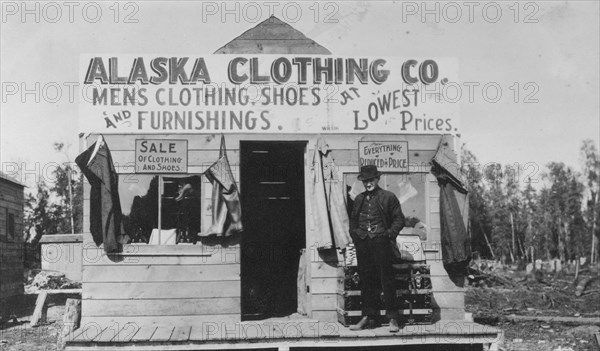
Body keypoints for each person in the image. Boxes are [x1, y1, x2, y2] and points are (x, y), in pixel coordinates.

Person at [348, 165, 405, 332]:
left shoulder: (388, 197)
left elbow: (399, 220)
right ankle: (368, 316)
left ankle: (393, 318)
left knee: (386, 279)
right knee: (366, 280)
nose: (368, 184)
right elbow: (353, 221)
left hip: (382, 243)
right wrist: (356, 235)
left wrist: (388, 235)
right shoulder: (358, 199)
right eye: (365, 181)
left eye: (370, 180)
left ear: (377, 179)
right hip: (363, 244)